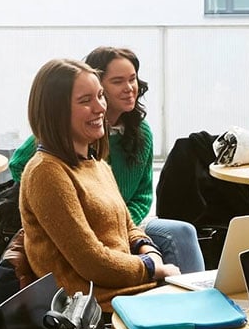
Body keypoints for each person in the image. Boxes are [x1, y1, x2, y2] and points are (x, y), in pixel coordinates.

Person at [10, 46, 204, 273]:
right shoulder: (49, 166)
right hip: (93, 280)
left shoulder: (101, 160)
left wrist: (134, 240)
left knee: (182, 234)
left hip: (120, 224)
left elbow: (140, 197)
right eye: (118, 81)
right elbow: (91, 260)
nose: (129, 88)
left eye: (133, 79)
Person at [18, 58, 180, 309]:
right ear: (56, 112)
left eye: (100, 96)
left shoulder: (96, 164)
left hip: (130, 292)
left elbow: (128, 226)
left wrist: (148, 249)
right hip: (98, 307)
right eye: (85, 101)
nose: (100, 108)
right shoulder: (46, 173)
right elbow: (92, 262)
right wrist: (151, 268)